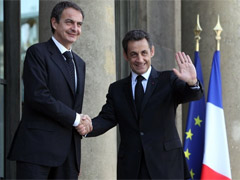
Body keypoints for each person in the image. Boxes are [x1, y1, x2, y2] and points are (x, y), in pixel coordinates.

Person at [79, 29, 204, 179]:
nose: (140, 59)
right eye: (134, 54)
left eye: (144, 53)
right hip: (132, 168)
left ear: (152, 51)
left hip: (166, 166)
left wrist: (192, 82)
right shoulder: (117, 89)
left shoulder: (168, 80)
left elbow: (192, 95)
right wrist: (87, 126)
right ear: (126, 55)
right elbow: (106, 118)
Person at [8, 1, 92, 179]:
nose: (75, 28)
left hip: (68, 156)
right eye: (69, 22)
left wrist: (76, 156)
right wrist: (77, 119)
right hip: (37, 151)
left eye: (79, 24)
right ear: (54, 23)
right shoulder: (37, 53)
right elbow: (38, 96)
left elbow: (73, 105)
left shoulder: (80, 63)